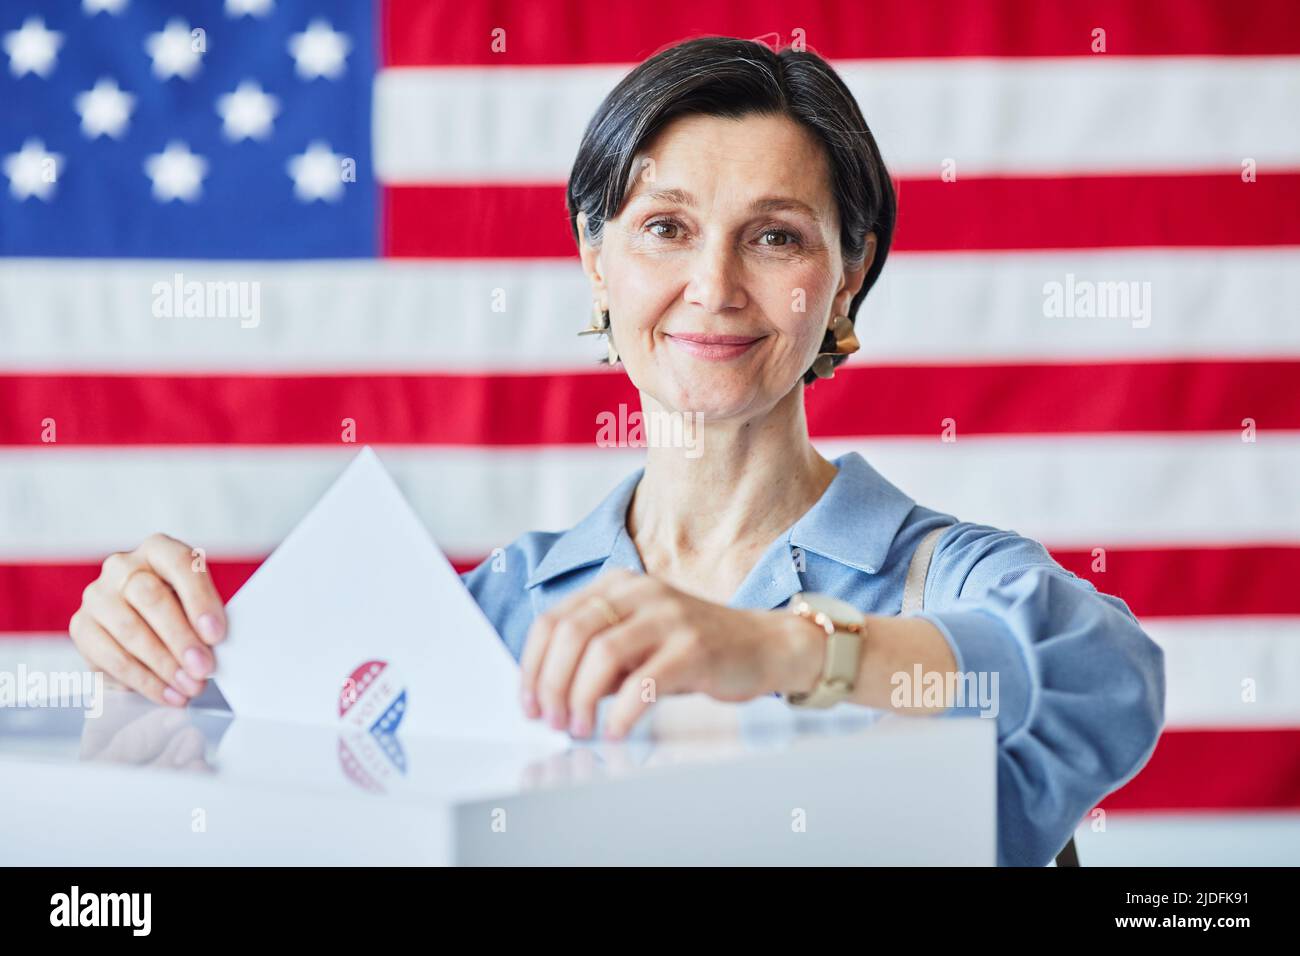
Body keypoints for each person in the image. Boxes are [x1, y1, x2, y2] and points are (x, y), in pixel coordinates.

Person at [67, 36, 1164, 866]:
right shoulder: (486, 614)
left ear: (847, 274)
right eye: (665, 227)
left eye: (775, 235)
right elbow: (261, 809)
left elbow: (1100, 679)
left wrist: (781, 651)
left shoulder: (957, 579)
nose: (715, 286)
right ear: (597, 262)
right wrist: (156, 670)